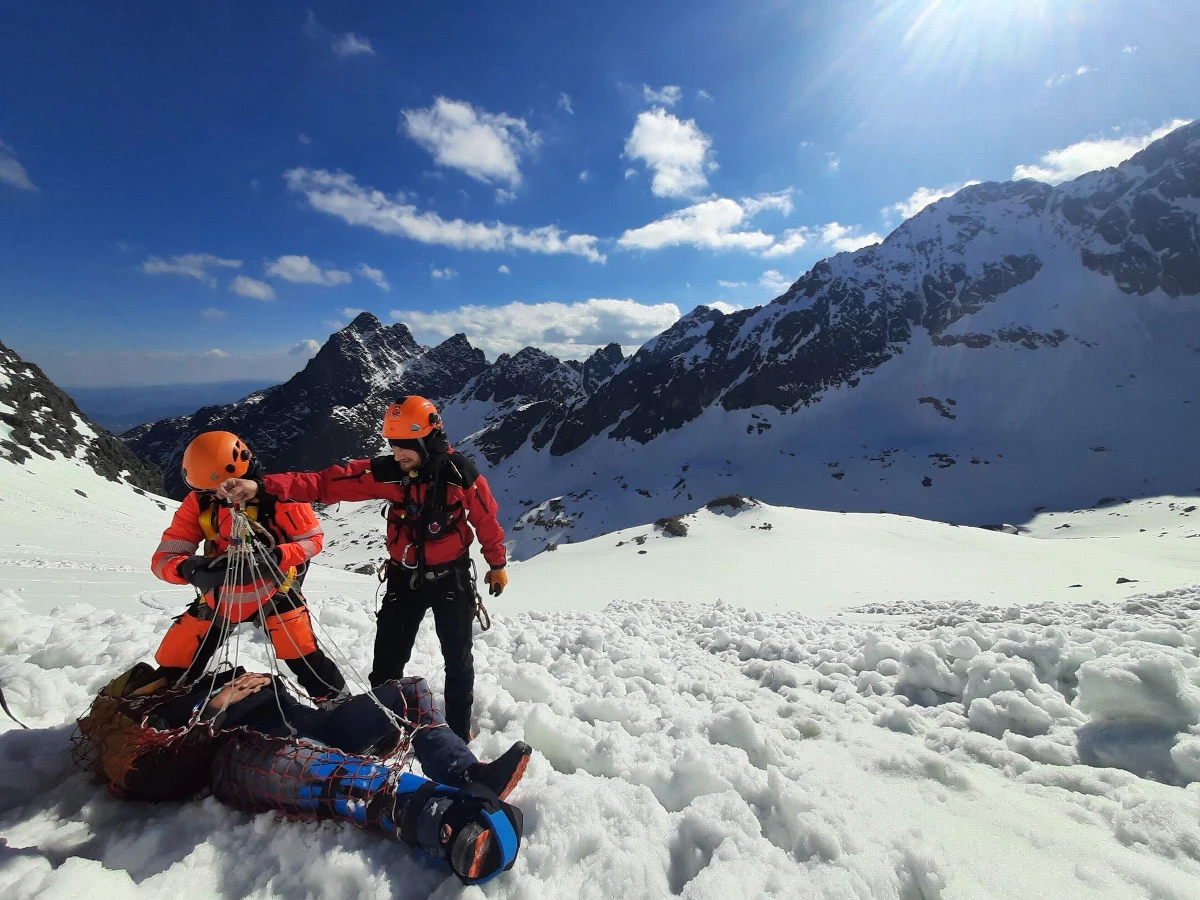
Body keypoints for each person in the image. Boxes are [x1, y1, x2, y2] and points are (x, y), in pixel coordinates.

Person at [73, 663, 531, 884]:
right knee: (316, 772)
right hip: (237, 756)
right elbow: (150, 776)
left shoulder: (210, 667)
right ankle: (440, 820)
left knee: (409, 691)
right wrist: (214, 709)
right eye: (149, 680)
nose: (160, 677)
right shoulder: (146, 719)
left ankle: (468, 774)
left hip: (309, 724)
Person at [218, 396, 507, 742]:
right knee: (386, 662)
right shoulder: (388, 473)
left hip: (452, 578)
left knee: (458, 662)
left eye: (406, 447)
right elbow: (325, 483)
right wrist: (261, 487)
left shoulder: (460, 476)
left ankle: (459, 732)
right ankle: (381, 731)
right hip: (403, 578)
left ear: (428, 441)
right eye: (394, 446)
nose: (398, 455)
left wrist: (496, 563)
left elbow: (486, 520)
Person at [151, 430, 346, 702]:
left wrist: (276, 557)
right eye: (211, 490)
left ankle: (339, 706)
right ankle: (163, 703)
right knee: (177, 659)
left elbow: (312, 541)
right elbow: (164, 557)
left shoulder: (281, 496)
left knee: (304, 655)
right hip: (219, 595)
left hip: (273, 590)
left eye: (224, 487)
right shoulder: (199, 502)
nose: (220, 495)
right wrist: (188, 569)